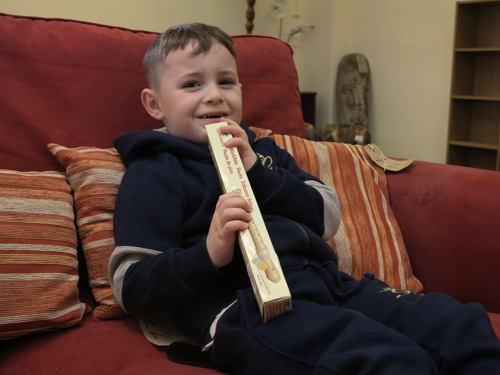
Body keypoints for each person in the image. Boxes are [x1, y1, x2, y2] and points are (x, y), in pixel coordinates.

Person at [109, 22, 500, 375]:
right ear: (155, 104)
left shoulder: (265, 152)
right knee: (385, 358)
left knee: (456, 324)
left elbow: (326, 215)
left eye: (226, 82)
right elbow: (132, 285)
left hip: (330, 287)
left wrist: (258, 174)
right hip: (246, 308)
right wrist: (209, 252)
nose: (214, 96)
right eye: (192, 84)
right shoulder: (154, 172)